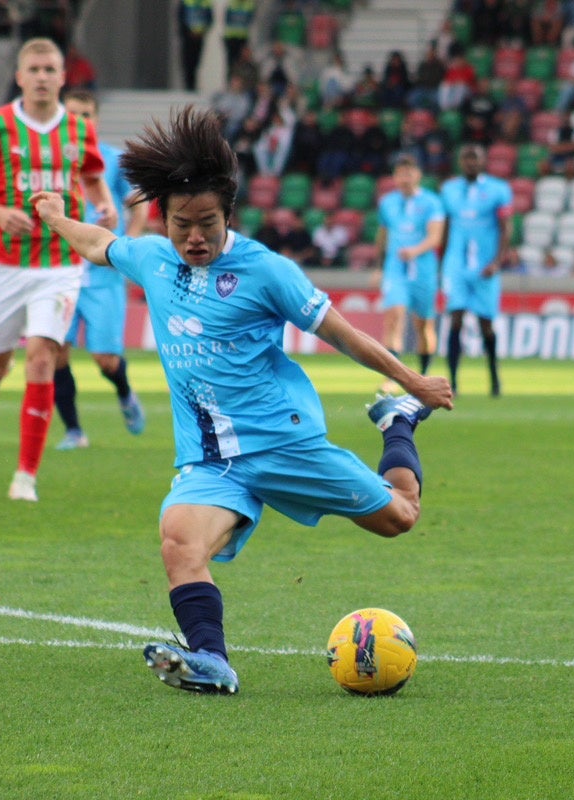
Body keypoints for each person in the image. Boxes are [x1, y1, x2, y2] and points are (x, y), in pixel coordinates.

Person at [29, 106, 453, 694]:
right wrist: (55, 216)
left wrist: (412, 384)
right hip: (210, 461)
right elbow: (98, 241)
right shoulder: (152, 258)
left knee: (399, 519)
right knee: (179, 542)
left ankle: (399, 425)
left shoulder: (266, 271)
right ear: (164, 219)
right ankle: (213, 662)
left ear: (229, 214)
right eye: (182, 224)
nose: (195, 236)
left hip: (285, 444)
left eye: (207, 222)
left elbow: (345, 335)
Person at [0, 37, 116, 502]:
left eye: (51, 69)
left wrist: (103, 203)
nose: (43, 77)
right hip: (6, 264)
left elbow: (90, 174)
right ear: (21, 77)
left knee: (43, 357)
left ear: (64, 78)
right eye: (35, 69)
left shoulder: (79, 130)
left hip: (61, 264)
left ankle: (25, 475)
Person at [52, 90, 149, 451]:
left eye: (86, 115)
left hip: (103, 273)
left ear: (96, 120)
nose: (80, 121)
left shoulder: (111, 160)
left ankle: (124, 392)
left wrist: (128, 245)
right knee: (56, 351)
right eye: (73, 114)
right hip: (59, 271)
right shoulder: (50, 161)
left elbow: (138, 206)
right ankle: (74, 431)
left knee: (105, 360)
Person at [439, 144, 514, 397]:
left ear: (483, 161)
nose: (470, 162)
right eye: (466, 158)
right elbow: (446, 227)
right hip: (456, 267)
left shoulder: (498, 190)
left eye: (475, 158)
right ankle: (453, 383)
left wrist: (497, 261)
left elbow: (506, 228)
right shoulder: (448, 190)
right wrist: (443, 263)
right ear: (460, 161)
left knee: (486, 325)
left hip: (485, 268)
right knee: (455, 320)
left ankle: (494, 380)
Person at [374, 153, 446, 386]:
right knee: (394, 317)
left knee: (423, 324)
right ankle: (392, 377)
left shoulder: (432, 203)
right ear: (394, 177)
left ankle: (424, 373)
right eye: (400, 173)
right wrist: (378, 266)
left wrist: (414, 251)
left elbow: (435, 238)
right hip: (396, 269)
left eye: (409, 173)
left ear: (418, 175)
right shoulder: (388, 203)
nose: (404, 178)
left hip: (423, 270)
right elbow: (383, 236)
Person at [177, 0, 214, 92]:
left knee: (196, 61)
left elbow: (209, 19)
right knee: (187, 62)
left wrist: (202, 32)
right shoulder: (186, 2)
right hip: (187, 37)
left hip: (199, 37)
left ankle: (192, 85)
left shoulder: (206, 2)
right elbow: (180, 17)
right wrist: (188, 31)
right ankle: (188, 86)